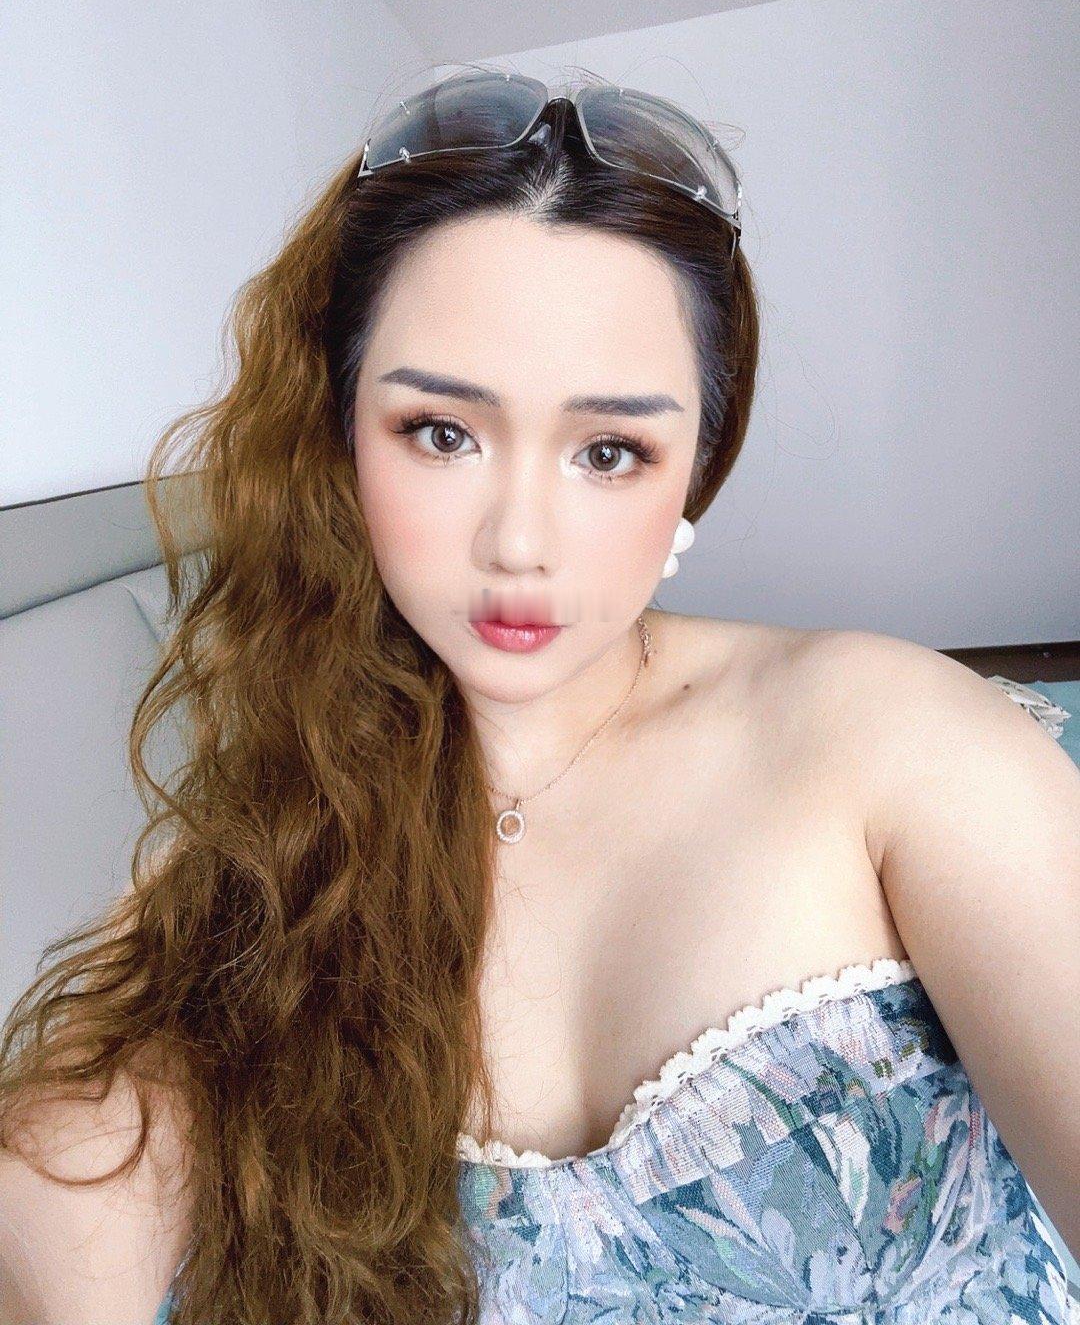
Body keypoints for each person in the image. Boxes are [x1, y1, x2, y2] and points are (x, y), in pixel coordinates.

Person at [1, 64, 1078, 1325]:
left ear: (696, 469)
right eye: (441, 433)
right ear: (340, 434)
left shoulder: (892, 737)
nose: (520, 542)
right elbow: (67, 1188)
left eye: (609, 452)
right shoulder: (271, 840)